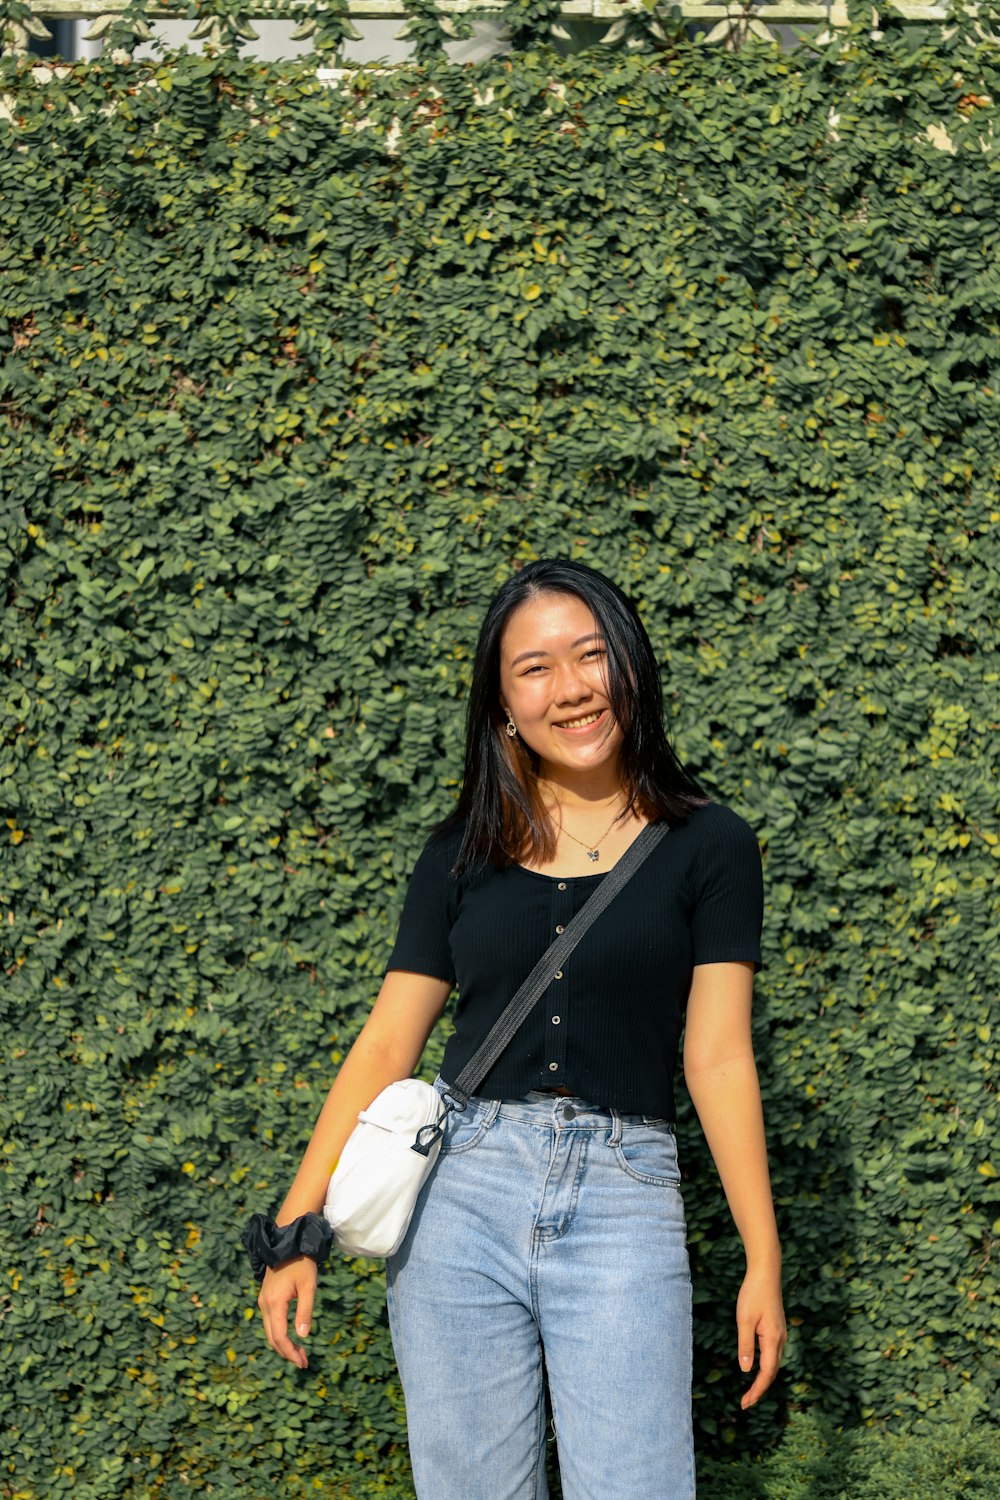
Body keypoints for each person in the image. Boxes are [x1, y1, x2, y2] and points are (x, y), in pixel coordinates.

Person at [254, 558, 787, 1500]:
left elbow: (715, 1056)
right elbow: (387, 1046)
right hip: (458, 1195)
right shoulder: (461, 850)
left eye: (591, 657)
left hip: (626, 1200)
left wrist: (762, 1257)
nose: (571, 689)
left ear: (631, 667)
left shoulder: (713, 845)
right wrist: (298, 1227)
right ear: (503, 705)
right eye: (534, 669)